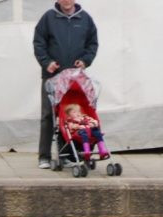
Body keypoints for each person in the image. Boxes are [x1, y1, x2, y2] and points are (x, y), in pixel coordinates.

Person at [33, 0, 97, 170]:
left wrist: (85, 60)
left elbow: (92, 44)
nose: (66, 1)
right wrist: (47, 63)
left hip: (75, 79)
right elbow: (39, 43)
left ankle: (67, 155)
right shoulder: (48, 18)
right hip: (52, 77)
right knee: (49, 116)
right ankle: (44, 157)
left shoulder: (85, 19)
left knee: (69, 116)